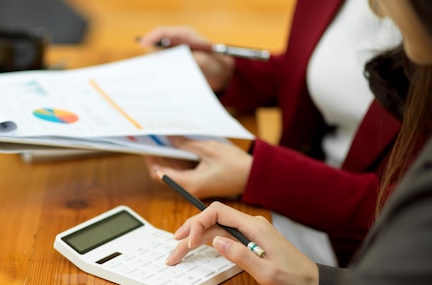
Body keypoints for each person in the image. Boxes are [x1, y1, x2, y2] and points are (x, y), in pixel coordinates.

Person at [165, 0, 432, 285]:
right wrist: (316, 278)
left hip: (352, 246)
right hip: (321, 257)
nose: (378, 10)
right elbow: (319, 72)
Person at [139, 0, 412, 267]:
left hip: (363, 256)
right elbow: (319, 72)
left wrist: (259, 176)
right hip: (288, 206)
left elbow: (412, 209)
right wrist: (227, 71)